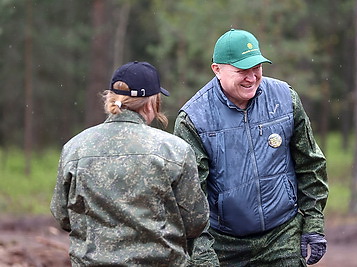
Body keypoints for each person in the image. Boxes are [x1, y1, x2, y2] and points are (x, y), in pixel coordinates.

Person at [174, 29, 329, 266]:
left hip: (282, 235)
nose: (251, 77)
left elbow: (310, 164)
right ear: (216, 69)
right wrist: (203, 254)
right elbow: (191, 196)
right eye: (241, 71)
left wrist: (313, 223)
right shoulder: (194, 118)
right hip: (223, 243)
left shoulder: (285, 99)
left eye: (256, 68)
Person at [50, 61, 210, 266]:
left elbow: (62, 215)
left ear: (111, 98)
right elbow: (195, 222)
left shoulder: (75, 148)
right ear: (151, 103)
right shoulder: (174, 150)